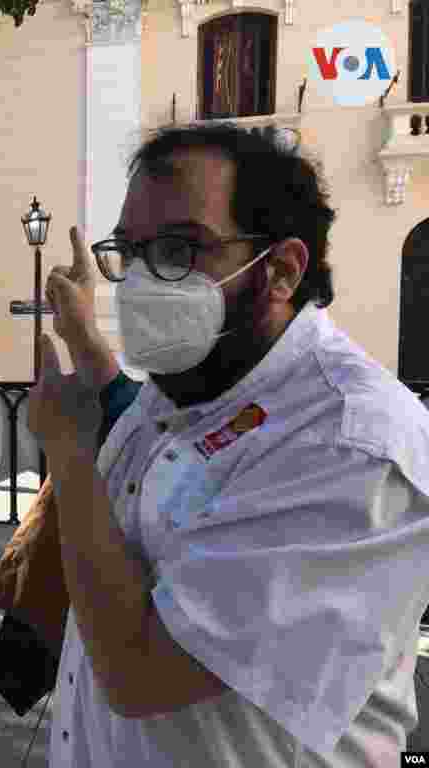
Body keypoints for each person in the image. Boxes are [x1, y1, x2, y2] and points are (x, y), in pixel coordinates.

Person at [27, 123, 429, 766]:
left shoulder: (353, 445)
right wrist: (85, 341)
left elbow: (140, 671)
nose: (141, 281)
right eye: (130, 252)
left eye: (180, 249)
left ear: (281, 269)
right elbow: (154, 438)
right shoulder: (197, 375)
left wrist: (70, 459)